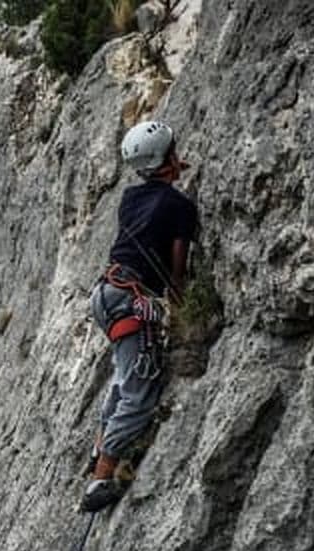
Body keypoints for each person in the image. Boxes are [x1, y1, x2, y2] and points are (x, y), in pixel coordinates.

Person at [81, 120, 198, 513]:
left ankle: (101, 446)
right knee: (140, 393)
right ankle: (100, 480)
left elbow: (153, 207)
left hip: (106, 293)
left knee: (123, 373)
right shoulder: (180, 208)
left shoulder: (131, 197)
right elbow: (176, 271)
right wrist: (181, 307)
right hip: (133, 300)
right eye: (174, 151)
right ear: (167, 158)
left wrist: (168, 174)